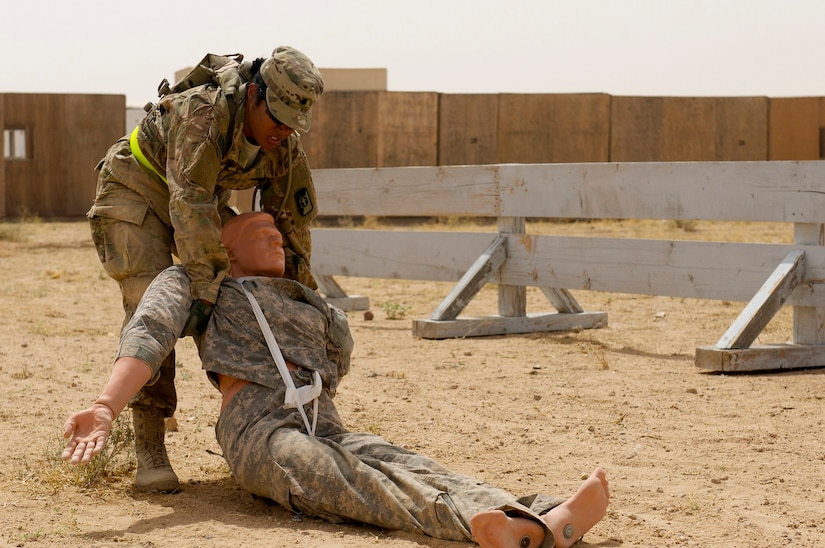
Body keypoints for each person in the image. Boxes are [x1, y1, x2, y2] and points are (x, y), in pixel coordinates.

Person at [64, 212, 610, 547]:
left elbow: (337, 359)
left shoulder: (307, 298)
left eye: (277, 231)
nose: (276, 239)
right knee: (354, 479)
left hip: (324, 420)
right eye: (260, 232)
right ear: (226, 253)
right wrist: (106, 407)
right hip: (259, 431)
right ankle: (479, 525)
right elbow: (149, 335)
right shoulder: (203, 288)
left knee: (406, 461)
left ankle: (533, 513)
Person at [87, 46, 325, 492]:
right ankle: (150, 442)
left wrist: (300, 312)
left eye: (293, 122)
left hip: (194, 198)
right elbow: (190, 202)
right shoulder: (204, 114)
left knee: (247, 288)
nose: (284, 130)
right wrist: (205, 285)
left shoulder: (283, 145)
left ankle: (272, 416)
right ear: (254, 94)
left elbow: (292, 232)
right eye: (276, 116)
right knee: (155, 302)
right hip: (135, 188)